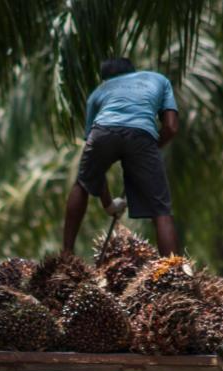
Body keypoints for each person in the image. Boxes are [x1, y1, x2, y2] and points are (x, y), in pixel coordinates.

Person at [62, 57, 180, 256]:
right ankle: (173, 268)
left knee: (82, 184)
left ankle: (66, 253)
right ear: (133, 71)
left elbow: (94, 166)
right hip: (142, 136)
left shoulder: (99, 92)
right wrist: (151, 148)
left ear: (105, 78)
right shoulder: (158, 79)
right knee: (161, 210)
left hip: (103, 131)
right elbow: (170, 127)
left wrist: (108, 205)